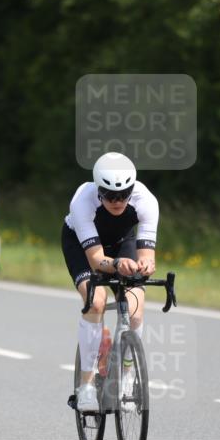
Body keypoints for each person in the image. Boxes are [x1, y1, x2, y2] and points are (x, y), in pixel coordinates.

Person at [62, 152, 159, 413]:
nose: (117, 201)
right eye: (110, 196)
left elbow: (147, 253)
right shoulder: (83, 201)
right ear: (98, 190)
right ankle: (86, 386)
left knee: (135, 305)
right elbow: (96, 260)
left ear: (132, 189)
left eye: (123, 195)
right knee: (96, 301)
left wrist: (145, 264)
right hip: (82, 246)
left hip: (121, 242)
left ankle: (127, 379)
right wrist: (117, 265)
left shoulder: (146, 200)